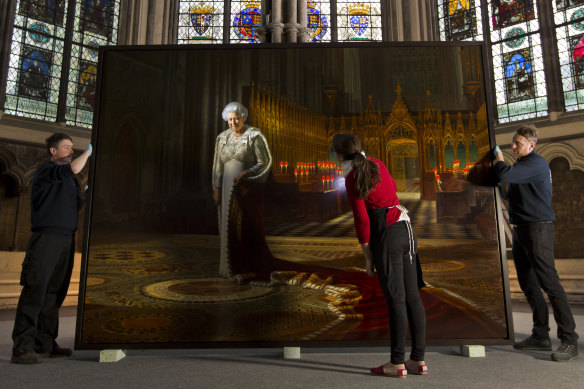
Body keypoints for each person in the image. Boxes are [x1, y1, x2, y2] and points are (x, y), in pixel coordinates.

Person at [331, 133, 427, 378]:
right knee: (412, 297)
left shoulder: (352, 176)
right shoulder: (377, 164)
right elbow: (393, 188)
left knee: (396, 298)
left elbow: (361, 219)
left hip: (386, 233)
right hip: (406, 228)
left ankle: (396, 363)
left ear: (340, 155)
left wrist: (367, 255)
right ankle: (417, 360)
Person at [493, 124, 579, 362]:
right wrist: (500, 189)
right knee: (528, 284)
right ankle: (540, 335)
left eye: (517, 144)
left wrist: (499, 158)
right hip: (522, 230)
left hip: (538, 229)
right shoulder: (523, 165)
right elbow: (513, 194)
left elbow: (505, 173)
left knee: (550, 284)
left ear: (531, 145)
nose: (513, 147)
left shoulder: (536, 163)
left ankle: (569, 340)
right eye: (512, 142)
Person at [11, 133, 92, 364]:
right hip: (46, 238)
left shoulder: (69, 180)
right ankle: (23, 347)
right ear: (53, 151)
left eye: (72, 148)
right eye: (66, 147)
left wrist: (85, 197)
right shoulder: (46, 170)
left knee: (55, 294)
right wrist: (87, 152)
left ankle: (45, 343)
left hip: (67, 239)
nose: (71, 151)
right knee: (36, 291)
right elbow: (75, 169)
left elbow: (73, 205)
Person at [212, 102, 273, 280]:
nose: (233, 123)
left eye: (236, 119)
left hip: (247, 190)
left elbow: (264, 162)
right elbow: (217, 166)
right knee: (227, 226)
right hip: (226, 190)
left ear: (243, 118)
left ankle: (246, 268)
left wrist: (247, 173)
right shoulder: (222, 138)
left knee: (245, 227)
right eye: (230, 119)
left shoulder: (254, 135)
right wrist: (216, 187)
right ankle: (228, 269)